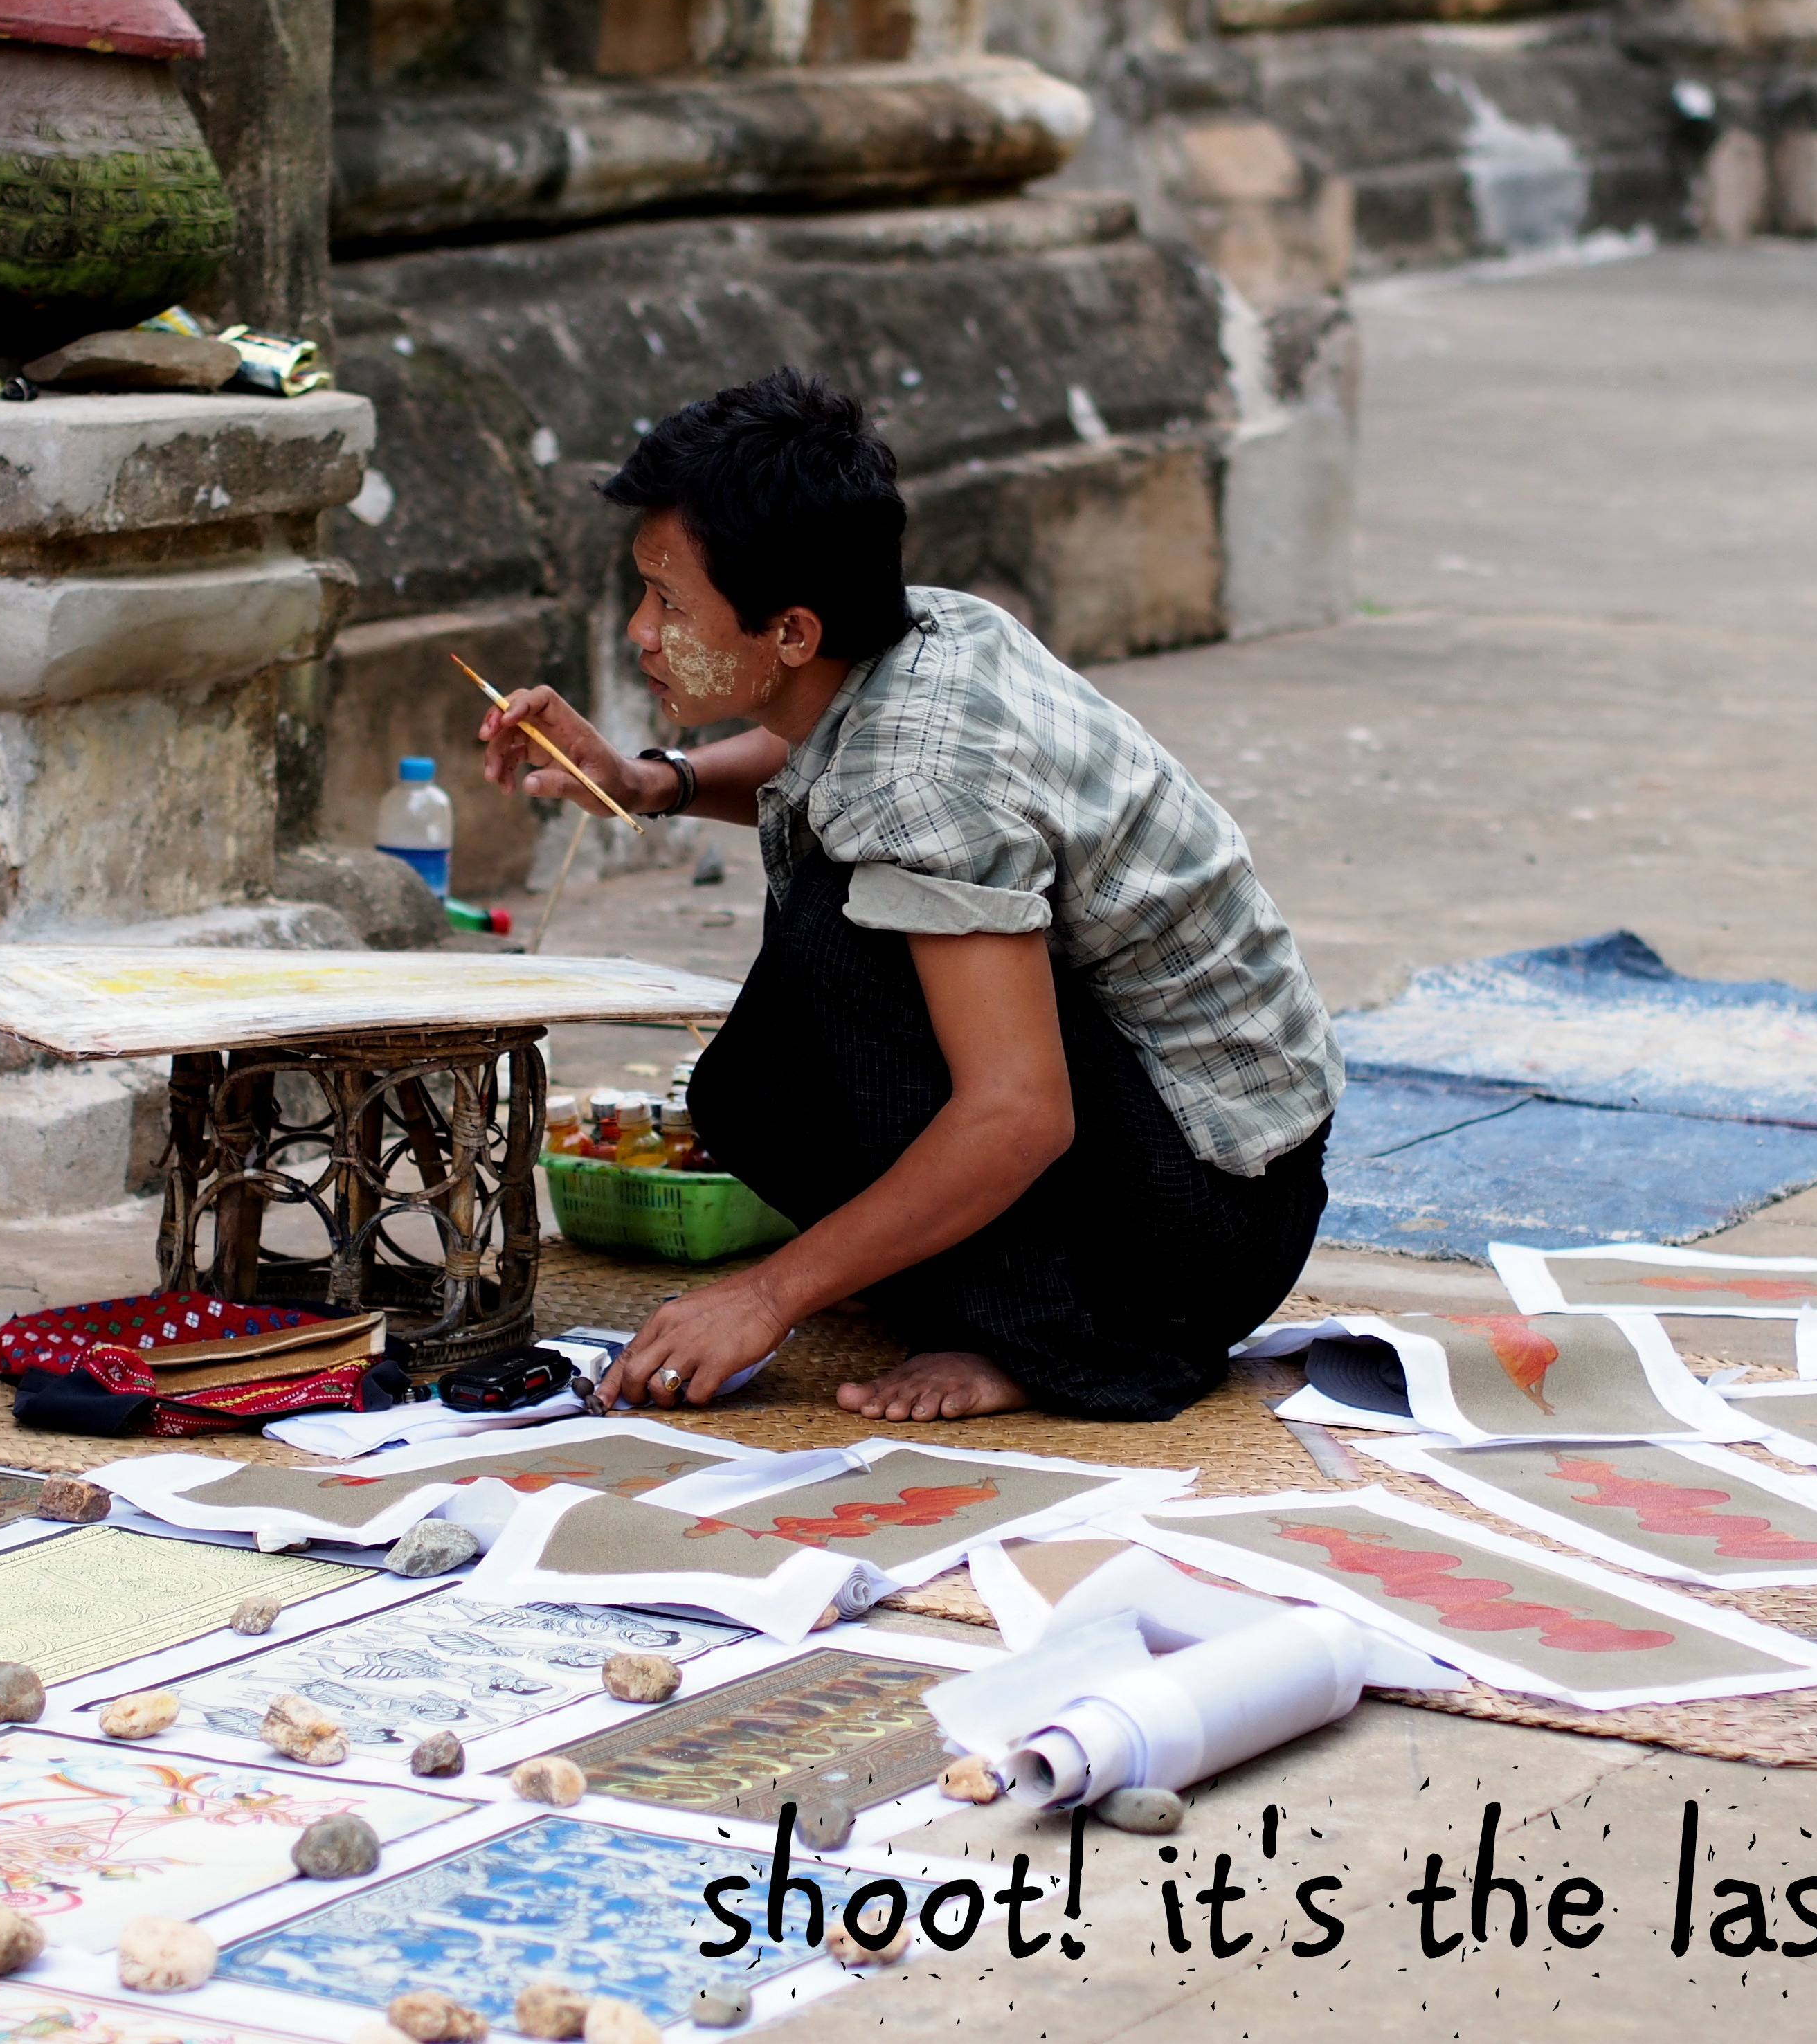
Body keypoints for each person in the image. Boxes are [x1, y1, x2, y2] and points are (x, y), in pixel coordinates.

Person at [480, 368, 1342, 1424]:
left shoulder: (922, 779)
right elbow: (820, 753)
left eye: (668, 601)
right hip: (1188, 1154)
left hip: (1212, 1222)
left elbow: (1020, 1112)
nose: (638, 632)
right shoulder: (912, 631)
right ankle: (999, 1292)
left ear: (793, 631)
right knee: (749, 1094)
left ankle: (1064, 1341)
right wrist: (646, 781)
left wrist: (768, 1294)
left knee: (841, 937)